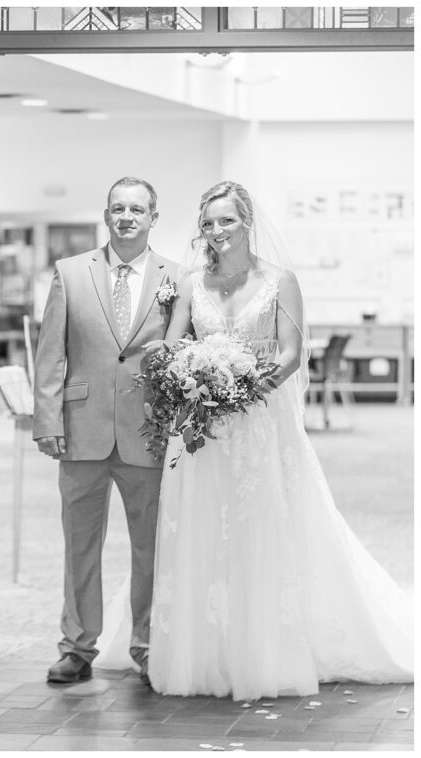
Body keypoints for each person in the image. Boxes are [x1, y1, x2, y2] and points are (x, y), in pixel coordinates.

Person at [146, 180, 413, 700]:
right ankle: (206, 654)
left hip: (259, 423)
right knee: (203, 524)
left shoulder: (279, 281)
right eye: (209, 223)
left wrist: (242, 391)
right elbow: (176, 344)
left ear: (248, 223)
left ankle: (263, 650)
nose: (217, 231)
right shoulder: (191, 283)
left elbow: (291, 353)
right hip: (201, 423)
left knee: (261, 525)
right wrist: (191, 378)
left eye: (227, 220)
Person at [33, 177, 183, 685]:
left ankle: (146, 646)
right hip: (81, 432)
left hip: (148, 433)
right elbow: (51, 354)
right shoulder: (70, 273)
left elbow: (182, 354)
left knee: (151, 548)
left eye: (137, 209)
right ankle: (76, 648)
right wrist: (48, 421)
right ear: (106, 215)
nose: (126, 217)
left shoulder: (177, 279)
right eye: (118, 208)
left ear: (153, 218)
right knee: (80, 546)